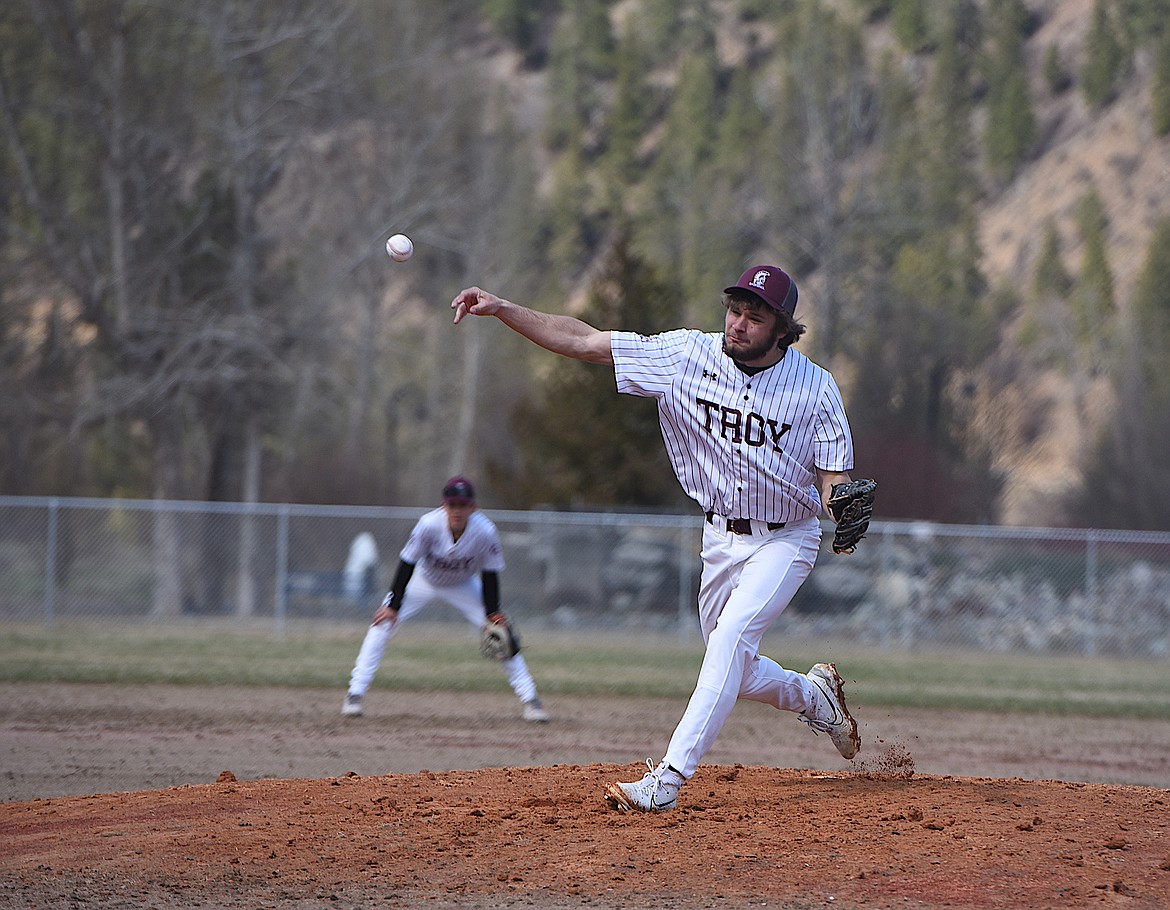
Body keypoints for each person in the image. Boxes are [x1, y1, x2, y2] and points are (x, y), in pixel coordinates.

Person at [451, 264, 862, 811]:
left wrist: (844, 503)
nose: (738, 324)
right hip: (719, 536)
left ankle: (666, 782)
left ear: (782, 330)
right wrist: (504, 308)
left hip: (786, 538)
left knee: (730, 641)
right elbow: (584, 341)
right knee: (733, 666)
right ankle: (816, 697)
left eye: (754, 317)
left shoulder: (815, 389)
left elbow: (837, 480)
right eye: (734, 310)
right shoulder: (686, 356)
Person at [342, 475, 550, 723]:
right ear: (444, 505)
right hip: (423, 581)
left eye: (462, 505)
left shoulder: (485, 531)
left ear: (473, 507)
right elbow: (407, 562)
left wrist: (492, 612)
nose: (457, 510)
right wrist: (394, 605)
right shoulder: (428, 524)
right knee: (381, 624)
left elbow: (490, 572)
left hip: (463, 585)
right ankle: (355, 694)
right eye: (452, 505)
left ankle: (530, 701)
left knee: (502, 635)